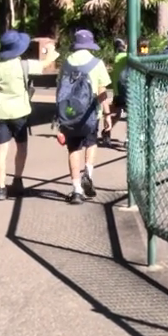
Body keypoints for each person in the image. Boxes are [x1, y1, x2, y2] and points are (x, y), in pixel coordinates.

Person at [0, 30, 55, 201]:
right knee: (22, 147)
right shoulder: (24, 65)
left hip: (0, 111)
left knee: (1, 150)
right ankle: (17, 180)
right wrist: (50, 50)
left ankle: (1, 188)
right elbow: (46, 63)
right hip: (20, 112)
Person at [55, 29, 112, 204]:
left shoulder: (66, 63)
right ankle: (88, 172)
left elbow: (60, 89)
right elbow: (102, 92)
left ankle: (76, 190)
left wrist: (59, 114)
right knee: (91, 143)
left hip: (70, 113)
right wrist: (107, 114)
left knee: (73, 149)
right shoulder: (97, 63)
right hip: (90, 113)